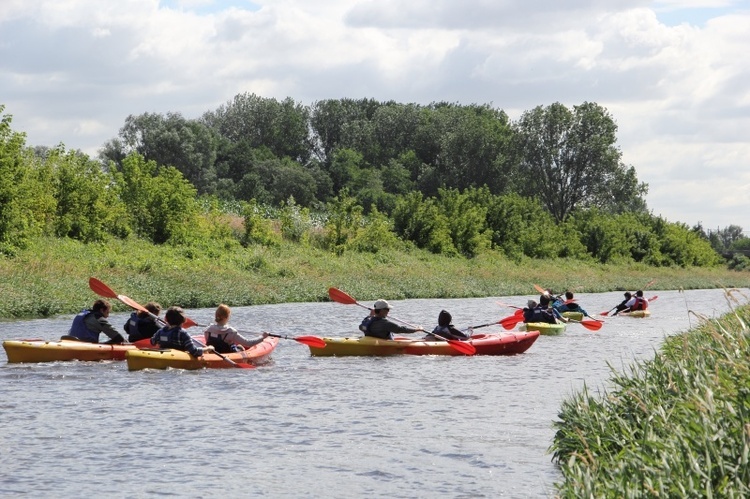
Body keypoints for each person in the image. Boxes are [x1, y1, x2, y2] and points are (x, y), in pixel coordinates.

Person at [203, 304, 268, 353]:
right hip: (228, 353)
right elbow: (248, 343)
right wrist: (262, 337)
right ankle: (239, 348)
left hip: (213, 353)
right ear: (227, 317)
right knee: (239, 347)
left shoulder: (208, 330)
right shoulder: (231, 332)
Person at [359, 299, 424, 340]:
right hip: (383, 342)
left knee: (403, 339)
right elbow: (400, 329)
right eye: (387, 309)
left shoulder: (367, 320)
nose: (388, 311)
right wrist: (417, 329)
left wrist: (370, 315)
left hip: (372, 340)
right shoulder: (385, 323)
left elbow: (361, 327)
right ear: (381, 311)